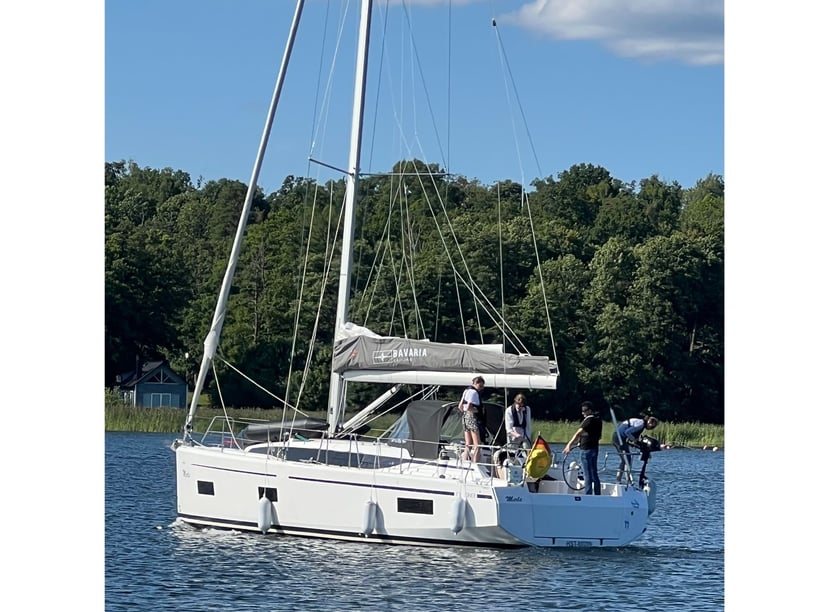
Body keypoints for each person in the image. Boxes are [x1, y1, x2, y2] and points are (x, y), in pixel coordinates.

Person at [563, 401, 602, 495]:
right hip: (594, 449)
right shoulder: (598, 421)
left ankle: (588, 495)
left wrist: (569, 445)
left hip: (586, 450)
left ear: (590, 411)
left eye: (585, 411)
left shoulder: (588, 420)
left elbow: (578, 433)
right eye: (582, 411)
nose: (583, 413)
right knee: (594, 473)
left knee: (587, 474)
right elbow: (597, 436)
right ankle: (598, 494)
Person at [613, 415, 660, 483]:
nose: (651, 428)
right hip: (619, 438)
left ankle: (620, 480)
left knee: (625, 459)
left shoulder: (641, 423)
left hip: (620, 438)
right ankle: (626, 481)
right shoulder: (640, 424)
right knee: (627, 459)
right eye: (652, 426)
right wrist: (634, 440)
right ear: (650, 422)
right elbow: (627, 432)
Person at [459, 376, 485, 462]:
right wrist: (476, 410)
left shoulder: (466, 391)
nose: (481, 388)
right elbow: (470, 406)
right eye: (480, 386)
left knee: (468, 443)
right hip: (472, 417)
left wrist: (466, 410)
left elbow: (460, 406)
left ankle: (464, 460)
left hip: (465, 417)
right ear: (475, 384)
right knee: (477, 444)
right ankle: (475, 462)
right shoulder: (474, 393)